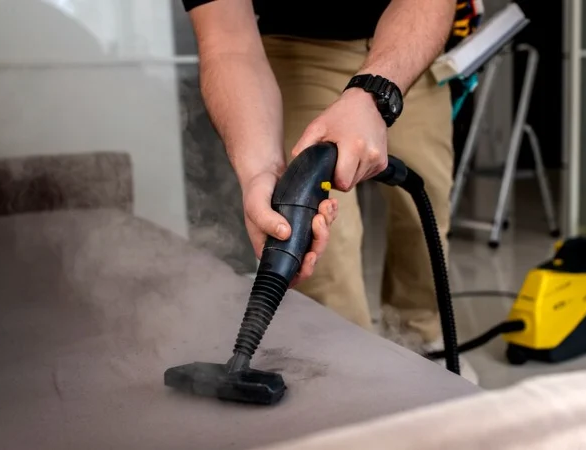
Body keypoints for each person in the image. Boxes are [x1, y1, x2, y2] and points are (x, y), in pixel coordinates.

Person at [183, 0, 478, 381]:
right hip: (297, 50)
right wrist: (260, 171)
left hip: (410, 41)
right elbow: (228, 40)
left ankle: (423, 341)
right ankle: (351, 377)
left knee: (425, 215)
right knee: (325, 249)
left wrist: (372, 92)